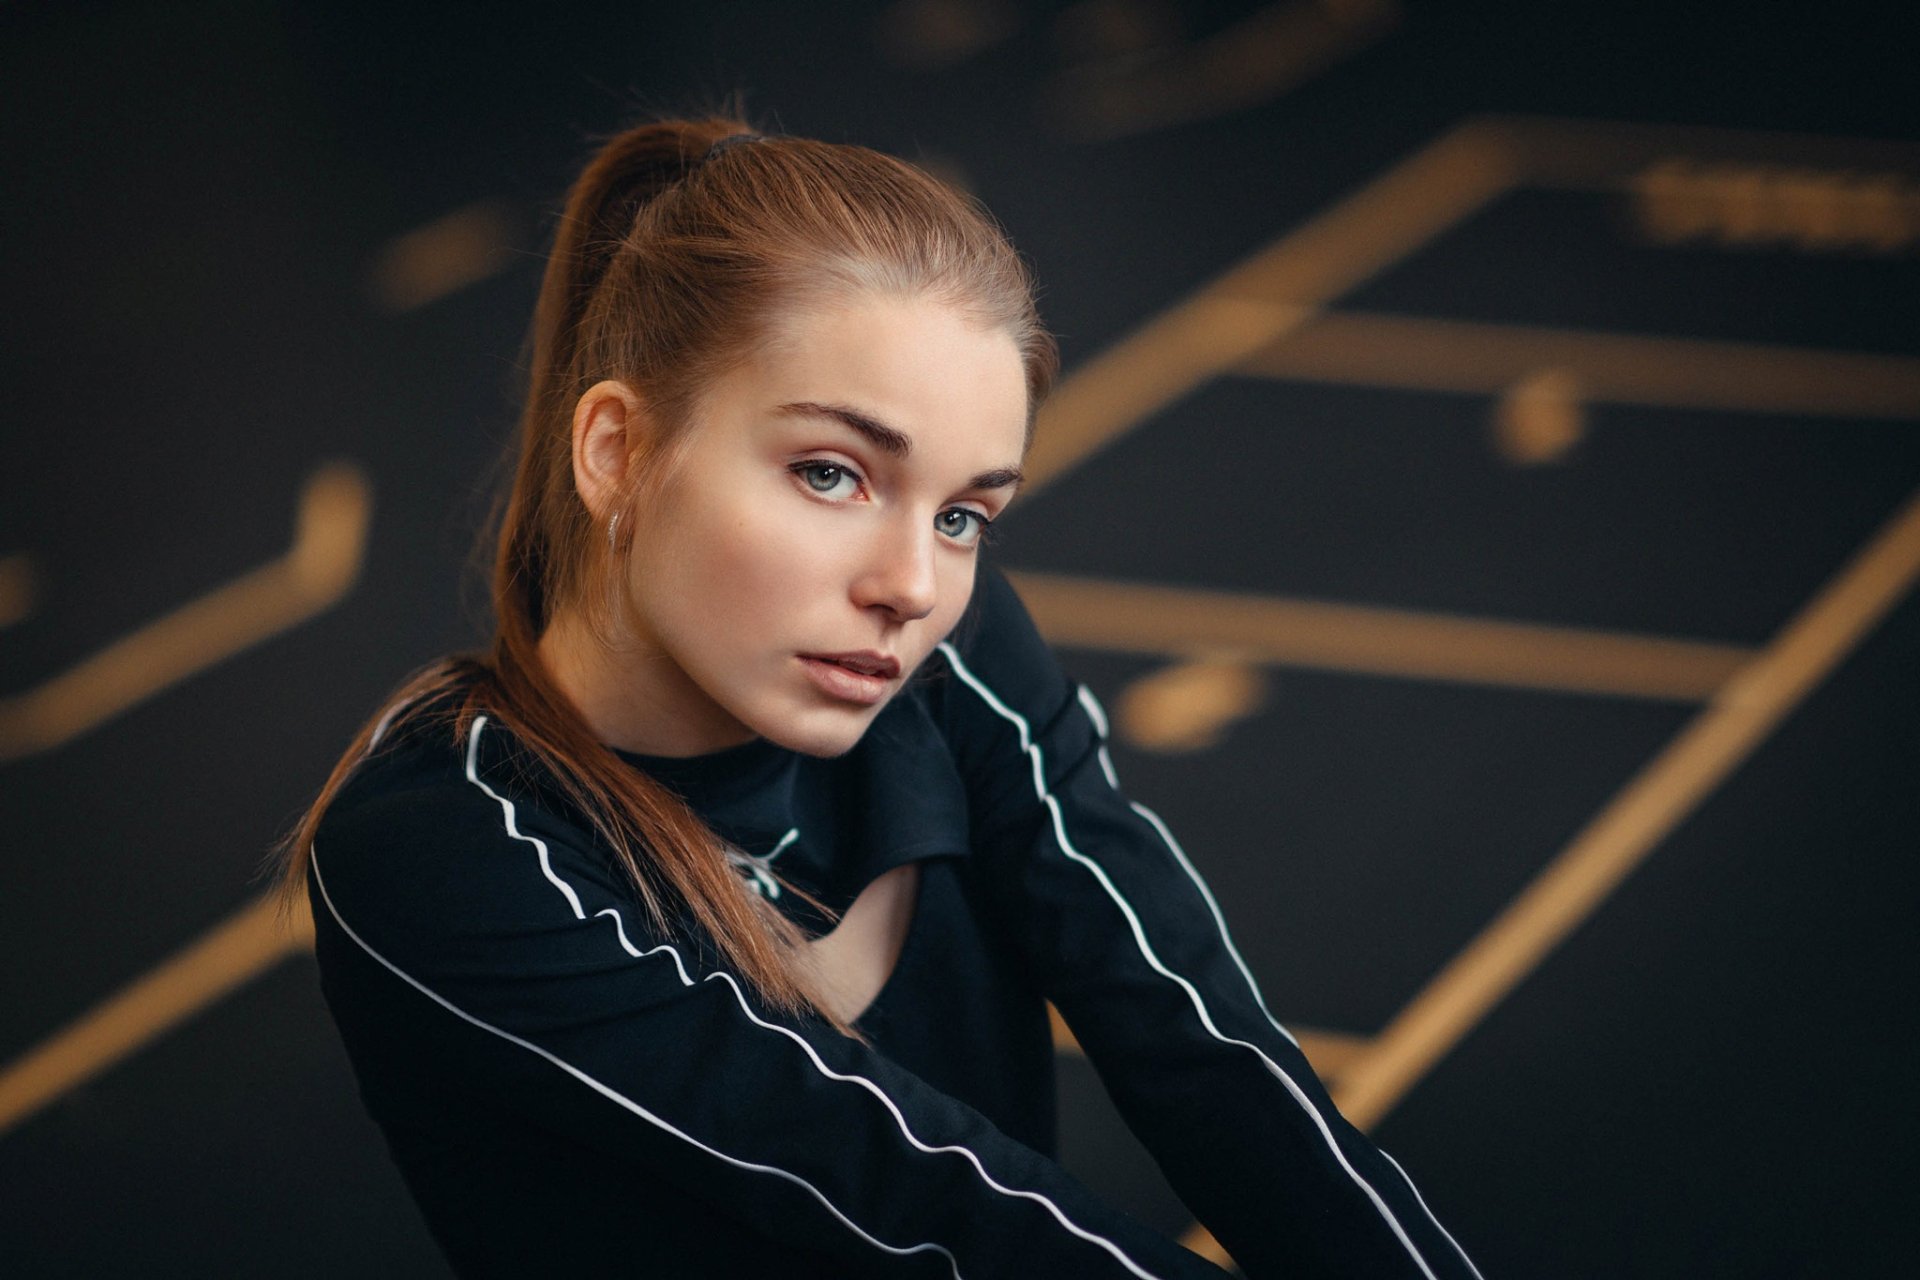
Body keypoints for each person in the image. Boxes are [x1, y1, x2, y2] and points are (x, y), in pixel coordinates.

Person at [271, 116, 1482, 1279]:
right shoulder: (444, 843)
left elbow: (1204, 1043)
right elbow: (937, 1209)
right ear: (618, 451)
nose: (912, 587)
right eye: (833, 473)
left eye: (963, 515)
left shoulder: (956, 653)